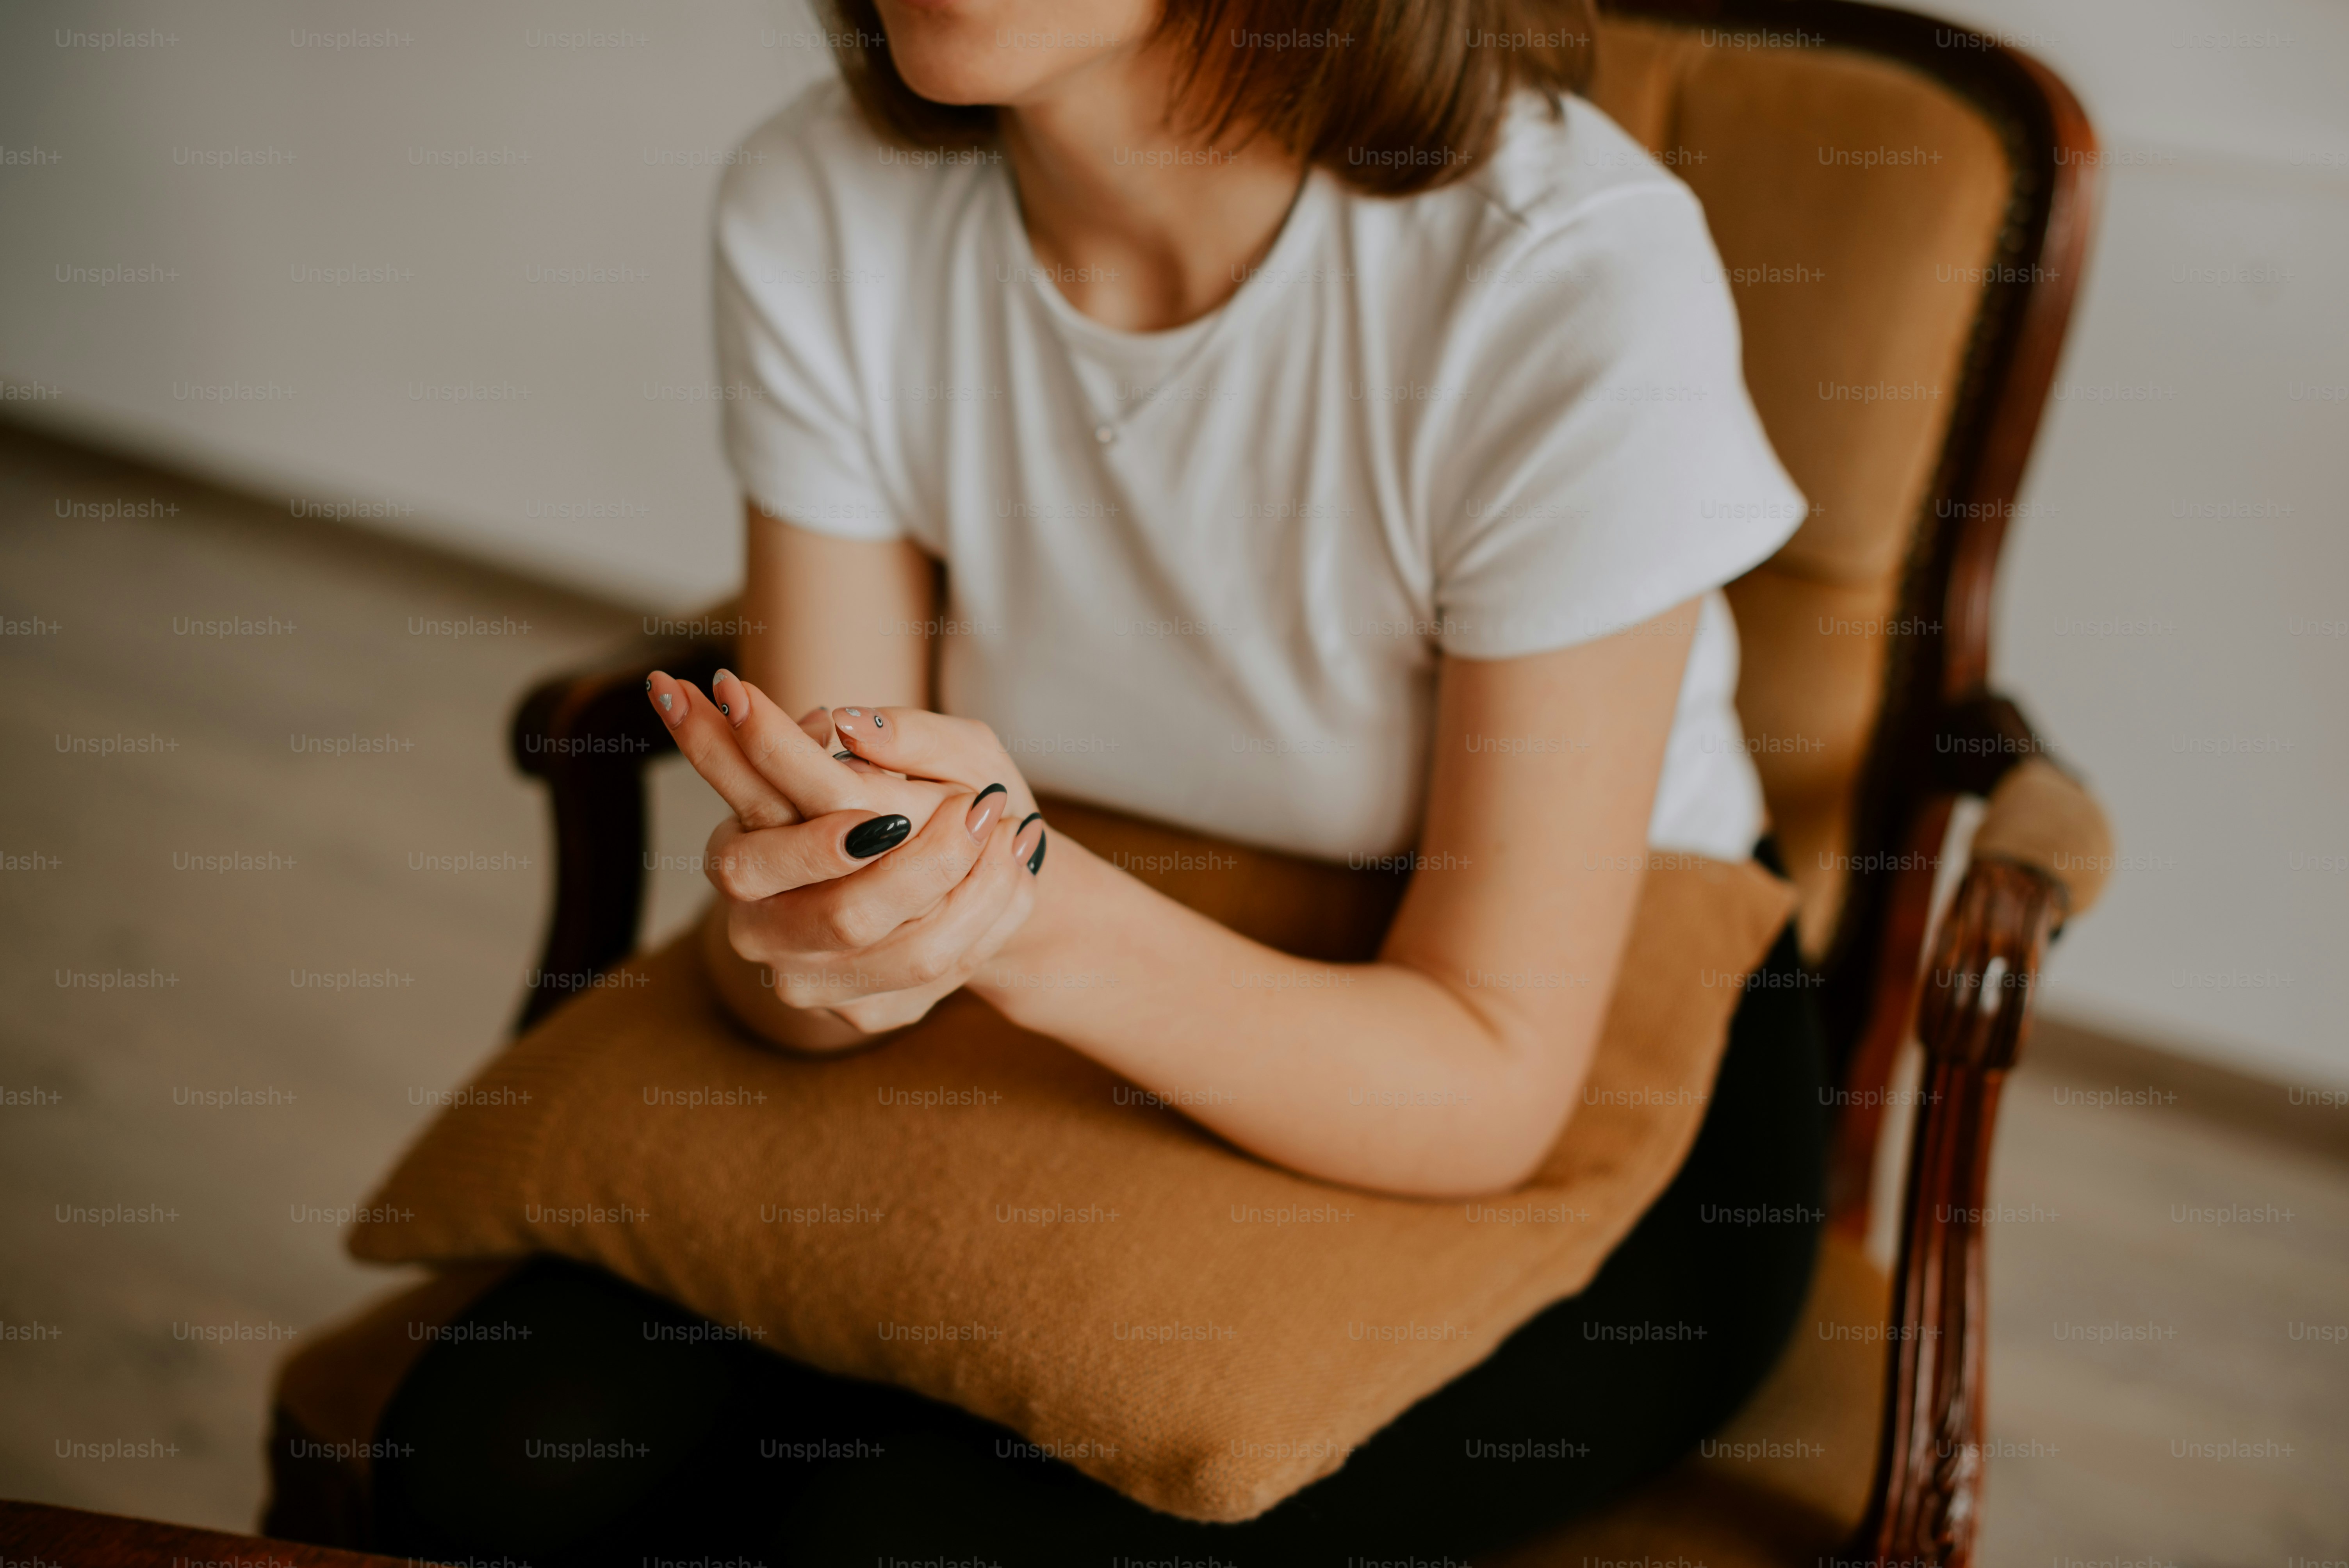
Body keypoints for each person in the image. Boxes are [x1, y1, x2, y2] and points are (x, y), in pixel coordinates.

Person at [369, 1, 1829, 1561]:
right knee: (491, 1447)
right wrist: (841, 938)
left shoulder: (1564, 273)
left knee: (897, 1532)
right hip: (1067, 1003)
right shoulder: (819, 198)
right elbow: (808, 973)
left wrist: (1016, 916)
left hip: (1578, 1109)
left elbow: (1486, 1082)